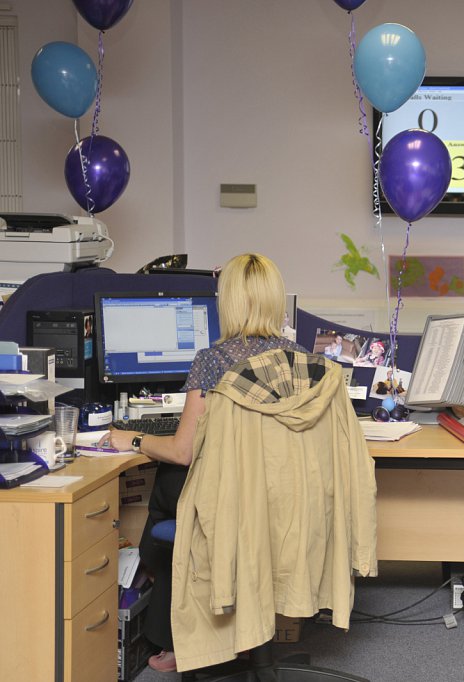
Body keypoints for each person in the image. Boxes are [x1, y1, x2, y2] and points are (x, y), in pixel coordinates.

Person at [105, 253, 305, 673]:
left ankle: (180, 632)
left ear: (227, 301)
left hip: (229, 504)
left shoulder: (214, 361)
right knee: (178, 496)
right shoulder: (303, 360)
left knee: (168, 485)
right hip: (283, 502)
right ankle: (225, 635)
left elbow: (183, 451)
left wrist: (135, 439)